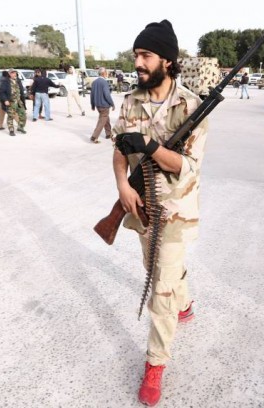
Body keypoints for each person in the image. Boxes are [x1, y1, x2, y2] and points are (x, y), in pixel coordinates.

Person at [111, 19, 207, 407]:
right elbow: (119, 152)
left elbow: (187, 168)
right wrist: (121, 186)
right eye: (136, 55)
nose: (138, 62)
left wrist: (150, 146)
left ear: (167, 60)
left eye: (145, 55)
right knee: (158, 272)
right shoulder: (131, 102)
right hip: (141, 207)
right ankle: (182, 302)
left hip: (175, 212)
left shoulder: (191, 107)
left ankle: (155, 364)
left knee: (159, 293)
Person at [89, 67, 115, 143]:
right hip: (104, 105)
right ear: (104, 73)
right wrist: (112, 104)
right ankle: (94, 136)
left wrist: (92, 105)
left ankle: (108, 134)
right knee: (102, 120)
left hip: (98, 105)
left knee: (105, 118)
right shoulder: (104, 82)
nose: (107, 74)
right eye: (106, 72)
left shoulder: (94, 82)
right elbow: (107, 95)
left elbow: (92, 94)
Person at [0, 69, 27, 136]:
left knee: (23, 115)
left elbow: (21, 91)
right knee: (10, 116)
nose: (14, 74)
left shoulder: (18, 81)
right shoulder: (5, 81)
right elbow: (1, 92)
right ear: (9, 74)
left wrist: (23, 100)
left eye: (15, 73)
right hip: (11, 102)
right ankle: (11, 130)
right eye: (13, 73)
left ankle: (20, 127)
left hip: (19, 102)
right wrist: (5, 100)